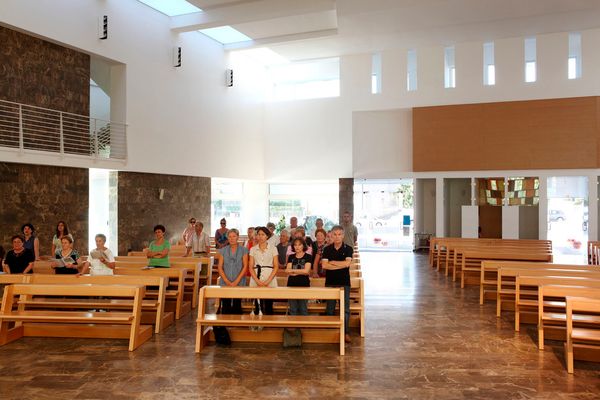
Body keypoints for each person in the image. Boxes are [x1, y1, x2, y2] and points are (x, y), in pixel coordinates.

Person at [322, 225, 354, 344]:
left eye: (339, 234)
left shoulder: (348, 248)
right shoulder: (327, 249)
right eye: (334, 234)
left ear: (343, 235)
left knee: (345, 309)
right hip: (330, 282)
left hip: (344, 282)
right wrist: (341, 264)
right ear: (331, 235)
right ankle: (330, 331)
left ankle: (345, 332)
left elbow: (347, 264)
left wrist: (333, 262)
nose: (337, 237)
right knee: (330, 308)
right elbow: (324, 266)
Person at [216, 229, 248, 314]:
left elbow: (245, 266)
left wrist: (236, 281)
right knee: (225, 306)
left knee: (237, 306)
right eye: (229, 236)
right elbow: (220, 267)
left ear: (238, 237)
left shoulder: (244, 250)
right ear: (227, 238)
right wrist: (226, 281)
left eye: (234, 236)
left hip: (239, 281)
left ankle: (236, 321)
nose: (232, 238)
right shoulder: (223, 250)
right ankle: (225, 321)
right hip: (225, 281)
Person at [248, 226, 279, 315]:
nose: (260, 237)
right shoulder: (253, 249)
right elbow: (250, 267)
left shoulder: (273, 248)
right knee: (257, 304)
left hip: (269, 276)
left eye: (263, 234)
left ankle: (269, 321)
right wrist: (257, 280)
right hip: (256, 276)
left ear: (267, 236)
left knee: (269, 304)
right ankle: (257, 322)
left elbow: (276, 266)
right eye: (259, 234)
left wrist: (268, 281)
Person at [285, 238, 312, 316]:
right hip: (291, 285)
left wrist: (293, 271)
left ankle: (303, 324)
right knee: (293, 309)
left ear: (303, 246)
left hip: (304, 285)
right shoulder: (291, 256)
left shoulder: (308, 256)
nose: (297, 247)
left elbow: (306, 271)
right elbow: (287, 270)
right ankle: (293, 324)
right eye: (295, 245)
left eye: (299, 245)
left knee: (303, 309)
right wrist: (300, 272)